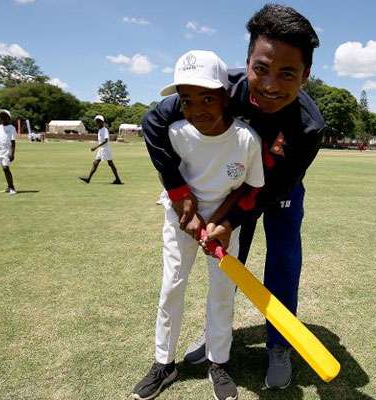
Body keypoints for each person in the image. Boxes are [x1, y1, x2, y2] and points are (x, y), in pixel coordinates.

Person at [141, 4, 323, 390]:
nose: (270, 84)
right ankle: (214, 333)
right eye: (261, 69)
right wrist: (179, 193)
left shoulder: (308, 127)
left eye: (287, 73)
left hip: (277, 190)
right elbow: (153, 120)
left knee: (283, 261)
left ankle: (278, 345)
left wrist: (227, 221)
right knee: (229, 266)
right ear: (247, 62)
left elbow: (271, 189)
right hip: (231, 189)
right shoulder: (222, 89)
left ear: (305, 75)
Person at [131, 50, 264, 400]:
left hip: (223, 225)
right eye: (187, 100)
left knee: (221, 293)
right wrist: (187, 215)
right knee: (171, 285)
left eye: (207, 97)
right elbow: (174, 182)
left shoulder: (246, 140)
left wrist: (221, 222)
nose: (198, 109)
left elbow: (251, 188)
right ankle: (164, 363)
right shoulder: (175, 133)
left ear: (225, 96)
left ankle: (218, 361)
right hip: (180, 221)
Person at [79, 115, 123, 184]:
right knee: (95, 163)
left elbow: (106, 140)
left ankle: (118, 179)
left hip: (105, 149)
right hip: (101, 149)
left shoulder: (104, 130)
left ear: (102, 122)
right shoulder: (100, 130)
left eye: (98, 122)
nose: (97, 123)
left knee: (110, 164)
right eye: (96, 122)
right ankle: (88, 179)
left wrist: (96, 147)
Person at [0, 109, 17, 195]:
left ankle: (12, 188)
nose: (2, 118)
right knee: (4, 169)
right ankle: (8, 186)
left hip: (7, 150)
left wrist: (12, 153)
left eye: (4, 116)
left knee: (5, 168)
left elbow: (13, 142)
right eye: (1, 117)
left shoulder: (11, 128)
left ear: (9, 118)